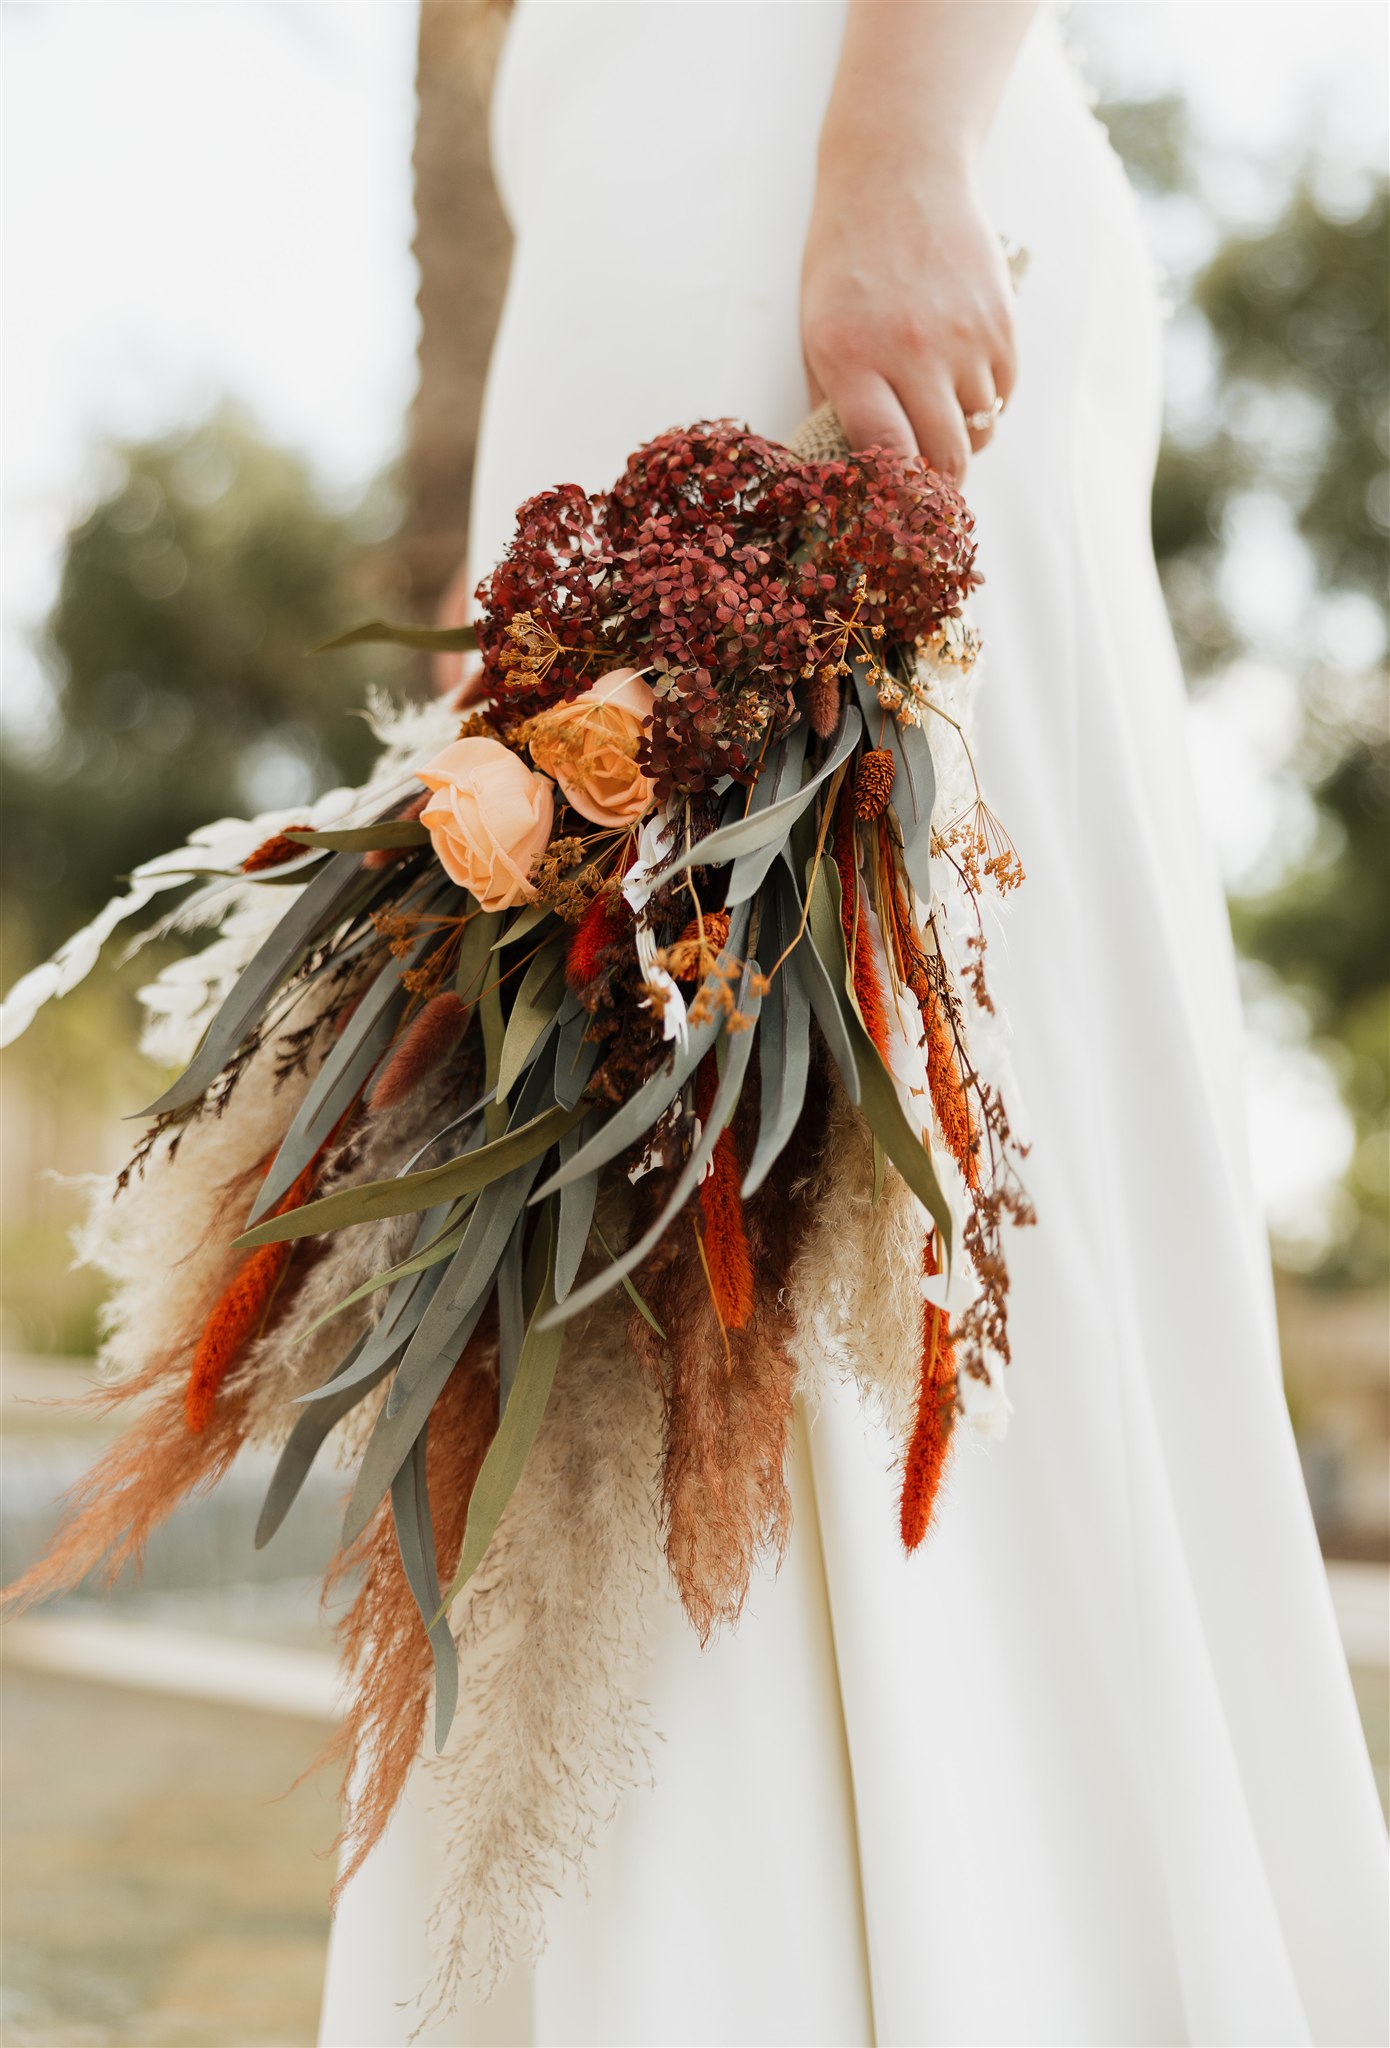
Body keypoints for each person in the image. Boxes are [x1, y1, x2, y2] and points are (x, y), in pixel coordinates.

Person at [319, 5, 1389, 2043]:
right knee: (626, 1177)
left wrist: (892, 153)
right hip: (652, 217)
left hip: (810, 184)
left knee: (828, 1158)